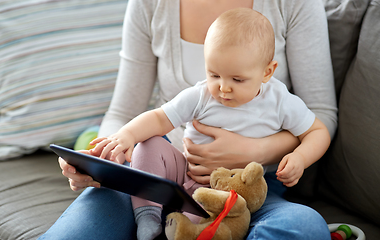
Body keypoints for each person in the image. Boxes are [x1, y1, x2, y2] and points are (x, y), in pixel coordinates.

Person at [40, 0, 337, 239]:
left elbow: (320, 120)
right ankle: (150, 217)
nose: (223, 87)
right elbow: (129, 115)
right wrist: (102, 156)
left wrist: (260, 152)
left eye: (237, 78)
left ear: (268, 72)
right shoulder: (196, 89)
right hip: (165, 176)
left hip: (251, 188)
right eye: (213, 75)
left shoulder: (292, 17)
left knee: (304, 227)